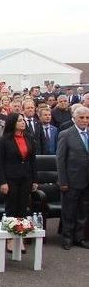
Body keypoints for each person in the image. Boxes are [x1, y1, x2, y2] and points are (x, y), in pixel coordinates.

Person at [0, 113, 38, 253]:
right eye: (19, 120)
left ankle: (19, 237)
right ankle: (10, 238)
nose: (23, 122)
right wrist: (3, 181)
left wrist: (34, 179)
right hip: (10, 178)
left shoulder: (29, 138)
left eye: (23, 120)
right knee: (11, 207)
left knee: (22, 207)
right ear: (12, 123)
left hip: (26, 177)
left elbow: (32, 161)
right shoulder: (4, 140)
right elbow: (0, 163)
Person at [57, 106, 89, 250]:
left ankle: (79, 237)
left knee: (83, 210)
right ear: (74, 119)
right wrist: (63, 181)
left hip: (87, 180)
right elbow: (60, 159)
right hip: (71, 180)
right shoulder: (66, 134)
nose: (84, 120)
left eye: (87, 118)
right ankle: (67, 237)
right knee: (69, 210)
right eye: (81, 118)